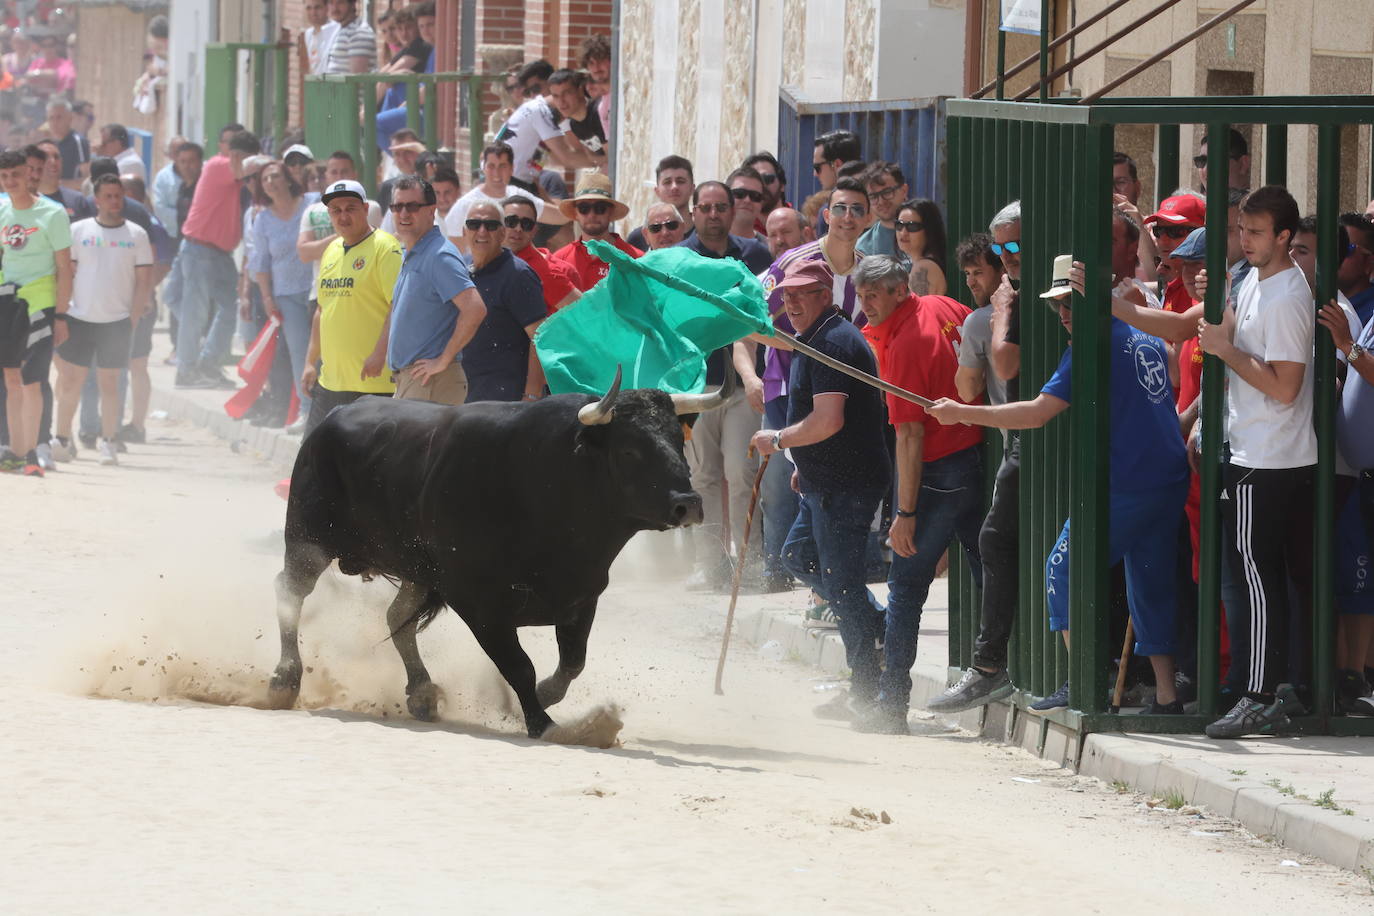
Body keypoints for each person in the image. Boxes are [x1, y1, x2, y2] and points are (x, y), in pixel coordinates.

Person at [928, 253, 1190, 716]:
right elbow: (1169, 376)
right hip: (1167, 477)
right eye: (1058, 306)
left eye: (1071, 302)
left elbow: (1035, 412)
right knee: (1148, 582)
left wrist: (961, 412)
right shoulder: (1146, 336)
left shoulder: (1091, 345)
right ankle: (1166, 698)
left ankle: (1084, 684)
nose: (1065, 315)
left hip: (1126, 482)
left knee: (1061, 571)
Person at [1195, 186, 1315, 738]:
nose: (1245, 240)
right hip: (1255, 451)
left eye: (1257, 232)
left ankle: (1261, 694)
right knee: (1263, 579)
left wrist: (1224, 351)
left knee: (1257, 581)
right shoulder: (1254, 281)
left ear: (1285, 237)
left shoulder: (1289, 296)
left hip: (1265, 457)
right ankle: (1276, 688)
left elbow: (1285, 388)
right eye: (1242, 230)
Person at [749, 257, 891, 713]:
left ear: (824, 295)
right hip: (822, 480)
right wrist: (802, 460)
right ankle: (879, 627)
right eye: (786, 293)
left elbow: (828, 420)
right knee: (799, 556)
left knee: (842, 583)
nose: (790, 301)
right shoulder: (815, 337)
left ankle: (867, 690)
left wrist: (778, 439)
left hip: (845, 486)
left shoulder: (831, 342)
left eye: (802, 293)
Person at [850, 256, 983, 733]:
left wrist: (905, 513)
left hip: (938, 472)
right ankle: (993, 668)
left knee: (906, 588)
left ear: (900, 291)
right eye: (861, 295)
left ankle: (892, 706)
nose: (865, 305)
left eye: (875, 295)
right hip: (975, 459)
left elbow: (910, 437)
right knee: (986, 568)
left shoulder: (905, 344)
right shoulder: (944, 305)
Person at [741, 177, 869, 594]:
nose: (848, 217)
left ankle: (825, 586)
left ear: (867, 219)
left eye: (857, 209)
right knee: (788, 484)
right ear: (826, 216)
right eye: (841, 208)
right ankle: (784, 574)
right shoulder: (793, 263)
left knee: (827, 485)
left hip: (842, 391)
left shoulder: (867, 269)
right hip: (789, 386)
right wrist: (805, 350)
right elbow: (749, 322)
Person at [925, 201, 1023, 714]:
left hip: (1022, 443)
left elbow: (968, 388)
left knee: (993, 543)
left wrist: (982, 333)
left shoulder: (986, 318)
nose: (975, 283)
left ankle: (989, 667)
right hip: (1028, 441)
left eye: (978, 272)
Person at [676, 180, 772, 590]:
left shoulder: (755, 256)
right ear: (693, 212)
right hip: (696, 389)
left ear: (733, 212)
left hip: (740, 386)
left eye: (721, 207)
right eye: (706, 208)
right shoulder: (679, 261)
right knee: (703, 479)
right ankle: (710, 566)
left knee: (742, 472)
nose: (713, 215)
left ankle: (749, 566)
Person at [50, 173, 151, 466]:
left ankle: (108, 441)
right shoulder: (78, 230)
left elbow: (143, 281)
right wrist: (62, 312)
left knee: (110, 383)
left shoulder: (136, 235)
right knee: (71, 381)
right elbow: (65, 273)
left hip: (116, 320)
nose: (114, 201)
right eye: (108, 196)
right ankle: (62, 439)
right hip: (79, 317)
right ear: (97, 200)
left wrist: (132, 317)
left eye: (118, 196)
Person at [302, 179, 403, 433]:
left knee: (368, 469)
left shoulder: (385, 247)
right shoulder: (331, 249)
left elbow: (398, 306)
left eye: (350, 208)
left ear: (366, 209)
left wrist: (380, 353)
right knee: (313, 462)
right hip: (330, 382)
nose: (343, 216)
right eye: (336, 210)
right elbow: (322, 310)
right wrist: (310, 361)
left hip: (373, 385)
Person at [0, 148, 72, 477]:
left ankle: (32, 452)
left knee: (33, 379)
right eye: (3, 176)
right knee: (11, 378)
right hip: (6, 301)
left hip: (40, 303)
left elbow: (64, 268)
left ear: (28, 174)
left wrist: (61, 315)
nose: (9, 181)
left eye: (15, 174)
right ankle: (14, 452)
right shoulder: (0, 209)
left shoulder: (52, 214)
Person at [387, 176, 486, 405]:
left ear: (431, 211)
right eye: (397, 206)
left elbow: (475, 309)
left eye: (412, 206)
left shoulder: (439, 255)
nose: (403, 213)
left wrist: (443, 360)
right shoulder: (415, 252)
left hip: (431, 381)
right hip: (416, 382)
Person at [175, 128, 260, 389]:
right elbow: (242, 171)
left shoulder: (224, 169)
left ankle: (207, 365)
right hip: (201, 250)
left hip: (215, 253)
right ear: (235, 155)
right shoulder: (217, 165)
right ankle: (187, 370)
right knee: (195, 313)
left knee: (228, 309)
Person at [460, 201, 547, 402]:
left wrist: (532, 395)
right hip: (464, 396)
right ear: (464, 231)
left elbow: (540, 338)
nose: (482, 231)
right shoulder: (459, 269)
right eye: (474, 225)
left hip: (506, 403)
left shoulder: (518, 275)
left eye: (490, 225)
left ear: (502, 233)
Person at [249, 161, 314, 426]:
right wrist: (266, 298)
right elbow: (261, 263)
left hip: (319, 288)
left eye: (275, 176)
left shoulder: (312, 203)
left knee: (328, 350)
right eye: (265, 179)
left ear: (288, 178)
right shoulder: (263, 220)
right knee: (300, 352)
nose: (271, 182)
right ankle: (306, 410)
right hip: (286, 295)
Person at [495, 59, 603, 189]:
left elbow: (537, 170)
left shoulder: (547, 116)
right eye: (528, 92)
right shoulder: (540, 111)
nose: (533, 95)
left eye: (536, 88)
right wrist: (606, 161)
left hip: (514, 181)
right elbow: (567, 157)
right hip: (503, 180)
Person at [297, 151, 382, 307]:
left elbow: (373, 248)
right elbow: (304, 253)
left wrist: (330, 241)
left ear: (354, 174)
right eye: (334, 172)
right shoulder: (311, 211)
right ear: (327, 176)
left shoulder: (370, 208)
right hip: (321, 293)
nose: (339, 176)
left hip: (361, 293)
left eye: (344, 171)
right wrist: (342, 235)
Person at [442, 142, 549, 253]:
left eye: (502, 166)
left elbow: (554, 214)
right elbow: (456, 256)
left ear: (512, 168)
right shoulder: (464, 206)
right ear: (483, 167)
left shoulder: (518, 195)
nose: (496, 173)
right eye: (491, 166)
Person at [550, 173, 642, 291]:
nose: (591, 214)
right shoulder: (558, 260)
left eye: (600, 207)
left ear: (610, 211)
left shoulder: (636, 259)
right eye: (584, 208)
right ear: (576, 213)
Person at [952, 233, 1007, 405]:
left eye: (978, 273)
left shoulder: (979, 320)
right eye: (967, 273)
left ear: (1002, 269)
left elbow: (966, 392)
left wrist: (963, 356)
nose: (970, 282)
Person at [502, 195, 580, 314]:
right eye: (511, 222)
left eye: (526, 224)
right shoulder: (490, 261)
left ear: (534, 231)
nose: (518, 228)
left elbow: (586, 315)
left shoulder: (543, 271)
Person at [626, 155, 694, 250]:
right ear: (657, 191)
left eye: (680, 181)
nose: (674, 187)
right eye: (667, 182)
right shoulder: (637, 239)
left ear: (692, 188)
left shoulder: (704, 236)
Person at [546, 69, 607, 168]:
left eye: (566, 93)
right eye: (556, 96)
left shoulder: (598, 111)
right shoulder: (574, 125)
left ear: (579, 91)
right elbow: (595, 159)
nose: (561, 101)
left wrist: (597, 160)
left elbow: (612, 157)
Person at [856, 162, 910, 269]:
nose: (881, 201)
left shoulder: (927, 231)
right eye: (873, 196)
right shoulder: (863, 248)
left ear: (904, 190)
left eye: (887, 192)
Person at [893, 198, 948, 296]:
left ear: (929, 230)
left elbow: (919, 311)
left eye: (912, 226)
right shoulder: (924, 264)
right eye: (899, 225)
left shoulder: (924, 267)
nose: (903, 232)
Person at [323, 0, 376, 75]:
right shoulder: (339, 30)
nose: (334, 8)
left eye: (340, 2)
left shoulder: (360, 32)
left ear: (352, 4)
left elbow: (357, 79)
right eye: (331, 3)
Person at [1195, 127, 1251, 194]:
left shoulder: (1259, 203)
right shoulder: (1194, 202)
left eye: (1217, 161)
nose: (1206, 169)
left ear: (1243, 164)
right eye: (1202, 160)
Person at [45, 99, 87, 189]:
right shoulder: (49, 145)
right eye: (51, 118)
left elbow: (87, 180)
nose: (55, 122)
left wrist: (57, 184)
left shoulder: (78, 142)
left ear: (70, 118)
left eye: (59, 117)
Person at [743, 151, 788, 224]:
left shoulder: (800, 224)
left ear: (782, 185)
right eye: (753, 181)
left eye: (766, 179)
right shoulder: (739, 228)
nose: (760, 186)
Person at [297, 0, 340, 76]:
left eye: (317, 7)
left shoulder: (337, 30)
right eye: (308, 8)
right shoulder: (308, 34)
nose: (313, 13)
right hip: (318, 84)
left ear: (327, 8)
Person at [726, 166, 767, 241]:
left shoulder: (771, 250)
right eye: (739, 193)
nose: (747, 200)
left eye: (755, 196)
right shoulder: (704, 244)